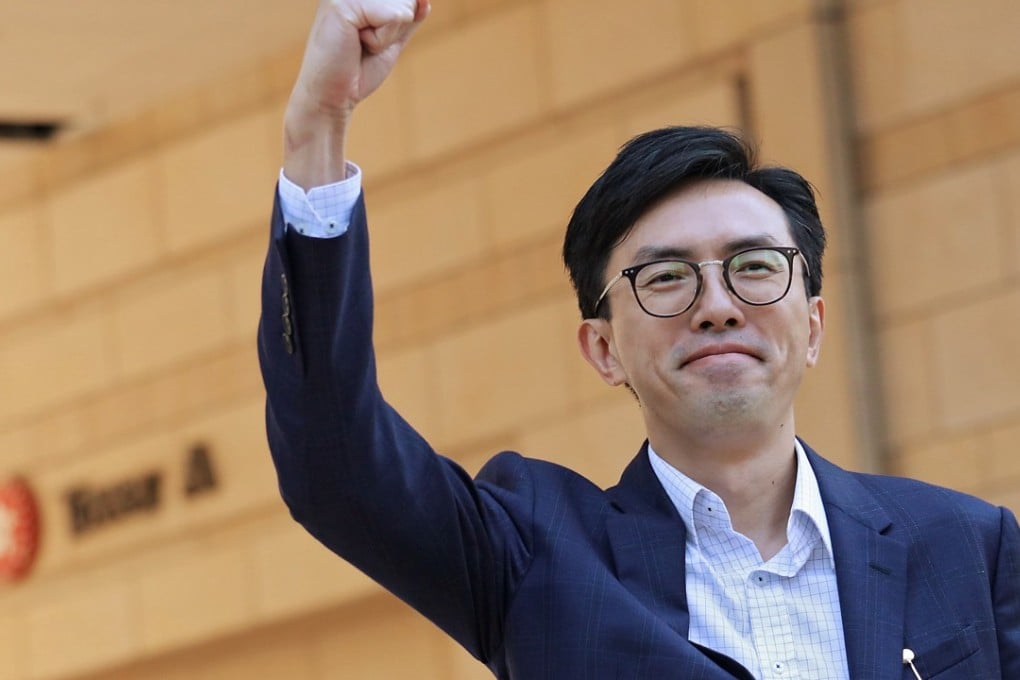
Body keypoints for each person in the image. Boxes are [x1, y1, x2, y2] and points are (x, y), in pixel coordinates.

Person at [258, 1, 1020, 678]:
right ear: (603, 348)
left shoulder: (968, 549)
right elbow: (336, 464)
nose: (718, 306)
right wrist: (318, 125)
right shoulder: (539, 555)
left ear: (813, 325)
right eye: (665, 280)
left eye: (754, 266)